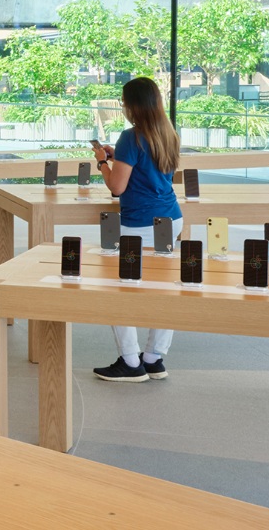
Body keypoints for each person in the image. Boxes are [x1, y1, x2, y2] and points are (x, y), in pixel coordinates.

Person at [91, 76, 182, 383]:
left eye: (123, 102)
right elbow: (149, 169)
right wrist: (119, 157)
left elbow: (117, 188)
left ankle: (130, 362)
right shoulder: (167, 134)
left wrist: (103, 163)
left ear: (132, 105)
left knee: (119, 288)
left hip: (140, 223)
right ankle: (154, 358)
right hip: (170, 218)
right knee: (164, 288)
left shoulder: (131, 137)